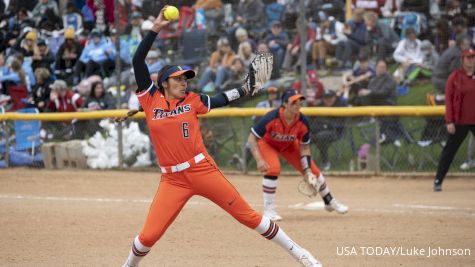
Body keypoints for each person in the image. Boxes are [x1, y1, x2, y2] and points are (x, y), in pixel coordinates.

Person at [122, 7, 322, 267]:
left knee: (248, 216)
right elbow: (138, 61)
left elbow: (221, 99)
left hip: (202, 169)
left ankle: (301, 254)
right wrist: (157, 26)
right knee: (148, 236)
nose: (184, 82)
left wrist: (246, 89)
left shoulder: (193, 101)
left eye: (186, 78)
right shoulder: (149, 98)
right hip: (172, 179)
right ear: (163, 83)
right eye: (178, 79)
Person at [247, 89, 349, 221]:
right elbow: (252, 138)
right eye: (293, 101)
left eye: (299, 101)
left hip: (289, 145)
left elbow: (305, 147)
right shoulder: (271, 117)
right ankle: (269, 211)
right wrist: (259, 160)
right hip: (268, 144)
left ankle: (329, 202)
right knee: (273, 169)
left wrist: (306, 170)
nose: (298, 104)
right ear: (285, 104)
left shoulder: (303, 121)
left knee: (314, 172)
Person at [433, 49, 475, 192]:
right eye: (468, 58)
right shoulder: (455, 77)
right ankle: (438, 180)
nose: (471, 60)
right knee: (449, 151)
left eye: (473, 58)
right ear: (462, 60)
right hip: (460, 121)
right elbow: (449, 101)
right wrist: (449, 121)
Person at [312, 89, 348, 171]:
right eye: (325, 98)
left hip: (334, 132)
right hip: (317, 130)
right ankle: (304, 162)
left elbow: (341, 124)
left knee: (321, 136)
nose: (328, 100)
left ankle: (325, 162)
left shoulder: (340, 106)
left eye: (330, 98)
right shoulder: (320, 106)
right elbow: (312, 120)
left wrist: (326, 125)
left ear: (335, 97)